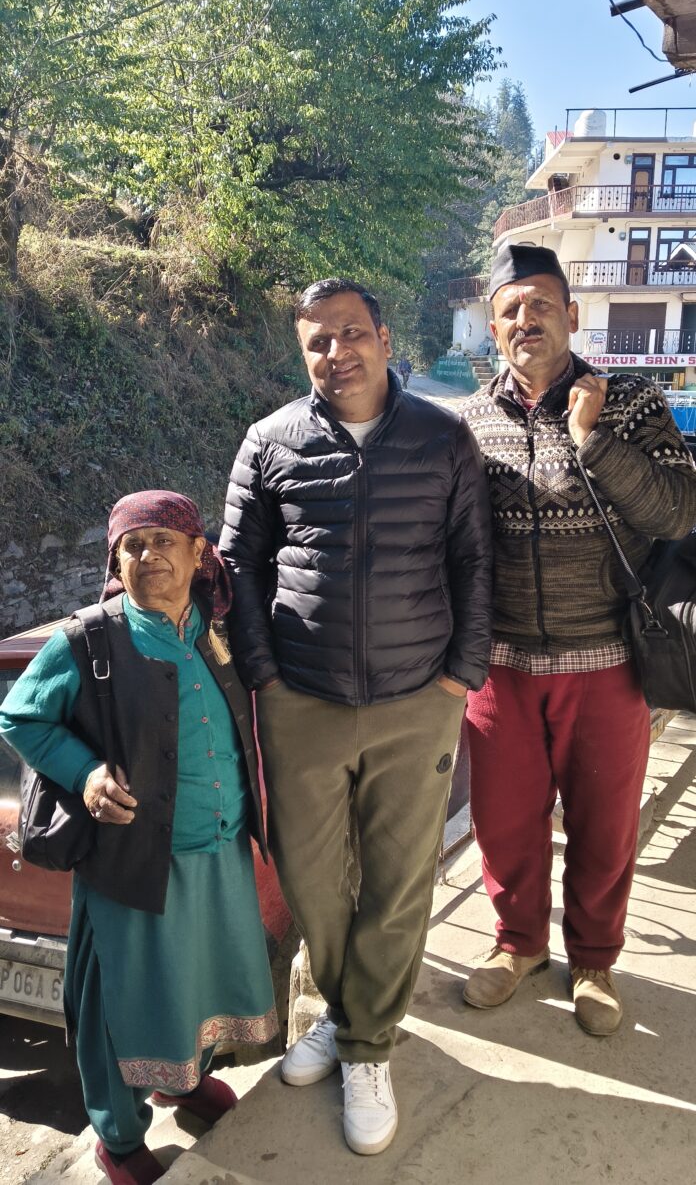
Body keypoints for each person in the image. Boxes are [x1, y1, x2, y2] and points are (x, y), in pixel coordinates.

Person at [219, 277, 491, 1156]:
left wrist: (461, 674)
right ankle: (346, 1014)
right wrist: (264, 673)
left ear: (384, 337)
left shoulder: (442, 438)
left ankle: (367, 1046)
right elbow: (238, 564)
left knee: (400, 877)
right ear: (303, 355)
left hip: (418, 696)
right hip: (302, 696)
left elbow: (472, 559)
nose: (337, 352)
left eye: (351, 332)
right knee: (309, 876)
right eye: (317, 342)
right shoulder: (271, 441)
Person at [0, 491, 278, 1185]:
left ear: (197, 553)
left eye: (163, 541)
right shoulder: (89, 640)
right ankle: (118, 1138)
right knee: (123, 1003)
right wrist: (86, 772)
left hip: (219, 852)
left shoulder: (214, 629)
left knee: (201, 979)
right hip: (133, 862)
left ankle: (183, 1081)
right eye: (132, 545)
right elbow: (20, 717)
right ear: (115, 560)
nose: (148, 555)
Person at [462, 245, 696, 1035]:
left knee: (604, 823)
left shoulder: (629, 401)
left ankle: (594, 960)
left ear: (570, 313)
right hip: (501, 662)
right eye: (510, 309)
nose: (526, 319)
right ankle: (518, 943)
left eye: (540, 304)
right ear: (494, 326)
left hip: (609, 657)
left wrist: (593, 438)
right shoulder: (471, 421)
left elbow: (678, 510)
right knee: (503, 820)